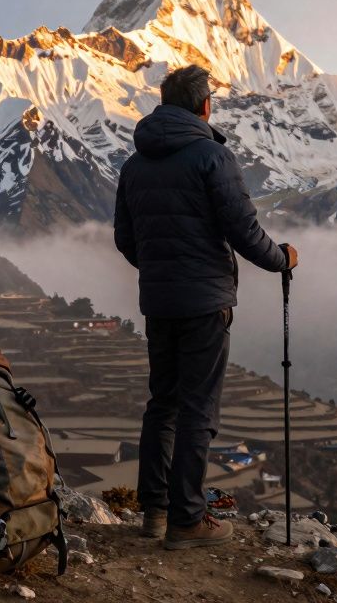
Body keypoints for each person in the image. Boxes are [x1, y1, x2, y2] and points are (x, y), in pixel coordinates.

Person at [113, 64, 298, 550]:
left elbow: (125, 238)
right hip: (204, 303)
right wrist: (281, 259)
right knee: (198, 409)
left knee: (163, 404)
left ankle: (154, 511)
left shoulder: (134, 165)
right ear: (204, 106)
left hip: (159, 300)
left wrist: (159, 268)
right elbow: (243, 229)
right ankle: (188, 520)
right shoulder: (211, 157)